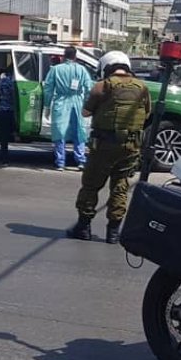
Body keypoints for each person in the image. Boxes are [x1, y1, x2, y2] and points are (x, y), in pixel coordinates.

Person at [68, 51, 151, 244]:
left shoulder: (102, 86)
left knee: (91, 185)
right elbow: (146, 114)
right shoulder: (142, 87)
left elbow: (86, 112)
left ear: (106, 67)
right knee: (120, 187)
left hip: (104, 145)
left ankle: (84, 227)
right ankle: (113, 232)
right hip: (130, 146)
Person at [44, 46, 93, 171]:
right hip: (77, 102)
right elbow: (88, 88)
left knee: (59, 132)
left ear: (63, 56)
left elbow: (48, 88)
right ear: (75, 56)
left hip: (60, 102)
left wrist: (47, 106)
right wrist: (88, 105)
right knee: (79, 131)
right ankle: (81, 160)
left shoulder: (56, 70)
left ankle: (60, 162)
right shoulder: (81, 70)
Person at [0, 63, 17, 166]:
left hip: (3, 109)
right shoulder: (12, 81)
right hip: (11, 110)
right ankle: (4, 159)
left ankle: (4, 158)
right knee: (8, 134)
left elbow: (0, 93)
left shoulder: (3, 80)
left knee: (4, 137)